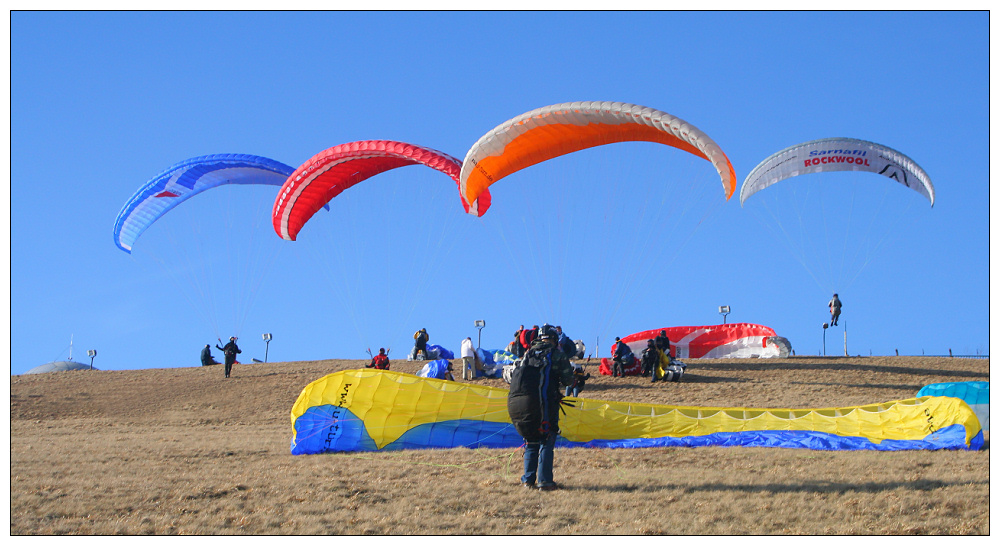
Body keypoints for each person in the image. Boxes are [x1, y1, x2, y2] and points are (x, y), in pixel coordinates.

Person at [507, 325, 574, 491]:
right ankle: (545, 482)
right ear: (554, 338)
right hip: (544, 403)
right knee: (546, 438)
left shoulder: (526, 355)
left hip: (521, 404)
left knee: (531, 441)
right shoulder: (557, 355)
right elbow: (567, 380)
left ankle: (527, 481)